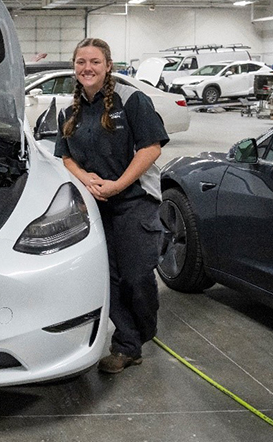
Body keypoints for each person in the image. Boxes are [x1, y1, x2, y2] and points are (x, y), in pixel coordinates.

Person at [54, 38, 169, 375]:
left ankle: (143, 331)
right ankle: (127, 345)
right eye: (80, 62)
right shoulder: (69, 110)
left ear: (107, 66)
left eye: (94, 62)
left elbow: (151, 149)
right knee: (109, 278)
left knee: (136, 276)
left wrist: (118, 184)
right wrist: (85, 178)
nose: (87, 68)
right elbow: (65, 157)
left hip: (134, 201)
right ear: (74, 67)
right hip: (95, 204)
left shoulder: (132, 100)